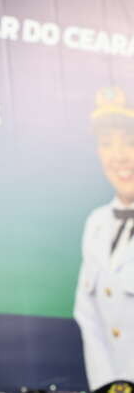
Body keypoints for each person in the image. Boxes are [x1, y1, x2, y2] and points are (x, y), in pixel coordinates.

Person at [75, 86, 134, 390]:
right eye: (107, 144)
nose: (120, 156)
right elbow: (87, 316)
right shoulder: (95, 224)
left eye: (131, 142)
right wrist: (110, 385)